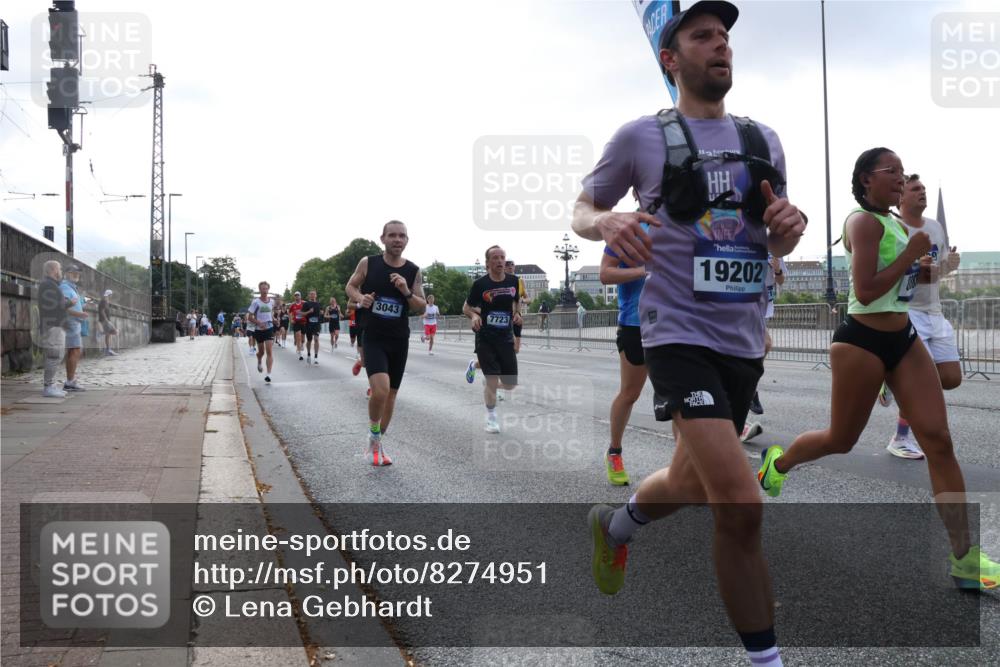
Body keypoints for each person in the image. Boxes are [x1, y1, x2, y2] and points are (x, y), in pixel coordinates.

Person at [572, 4, 807, 665]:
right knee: (740, 502)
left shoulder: (764, 141)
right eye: (702, 35)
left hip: (740, 338)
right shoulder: (640, 137)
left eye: (725, 35)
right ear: (670, 59)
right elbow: (582, 208)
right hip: (674, 332)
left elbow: (777, 232)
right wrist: (607, 221)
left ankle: (613, 525)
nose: (720, 44)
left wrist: (789, 228)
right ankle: (767, 659)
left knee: (690, 478)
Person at [757, 147, 998, 591]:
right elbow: (866, 291)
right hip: (861, 342)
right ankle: (780, 463)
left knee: (939, 441)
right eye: (894, 172)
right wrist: (911, 254)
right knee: (840, 439)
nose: (902, 181)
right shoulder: (861, 222)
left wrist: (932, 268)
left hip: (903, 339)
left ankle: (965, 557)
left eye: (904, 174)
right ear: (868, 179)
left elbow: (908, 279)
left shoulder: (893, 223)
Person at [878, 174, 962, 459]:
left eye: (924, 189)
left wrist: (948, 267)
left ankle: (891, 378)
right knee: (919, 384)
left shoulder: (935, 228)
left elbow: (934, 272)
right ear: (901, 197)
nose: (922, 192)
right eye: (916, 189)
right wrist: (916, 269)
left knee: (951, 378)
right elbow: (886, 274)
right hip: (907, 311)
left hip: (934, 311)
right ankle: (901, 438)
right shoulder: (894, 229)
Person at [345, 220, 425, 466]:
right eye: (392, 235)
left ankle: (377, 443)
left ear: (407, 241)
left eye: (402, 236)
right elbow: (350, 285)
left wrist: (405, 291)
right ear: (383, 239)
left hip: (399, 339)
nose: (397, 240)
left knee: (391, 396)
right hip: (374, 335)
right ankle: (373, 431)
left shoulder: (412, 270)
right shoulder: (369, 263)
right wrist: (360, 298)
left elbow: (421, 305)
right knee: (380, 390)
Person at [599, 228, 648, 485]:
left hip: (677, 324)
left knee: (680, 398)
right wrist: (644, 270)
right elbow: (605, 273)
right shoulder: (628, 231)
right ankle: (614, 452)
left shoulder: (685, 223)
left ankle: (685, 467)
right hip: (635, 324)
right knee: (630, 393)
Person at [463, 246, 521, 433]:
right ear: (488, 263)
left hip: (505, 337)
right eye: (495, 258)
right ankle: (491, 418)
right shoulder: (480, 284)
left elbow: (516, 301)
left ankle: (481, 373)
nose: (499, 261)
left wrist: (518, 313)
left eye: (502, 257)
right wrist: (473, 316)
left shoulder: (514, 281)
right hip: (485, 338)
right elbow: (466, 307)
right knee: (492, 380)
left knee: (511, 384)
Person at [741, 253, 786, 442]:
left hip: (762, 307)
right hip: (744, 303)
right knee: (764, 344)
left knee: (760, 348)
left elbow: (781, 280)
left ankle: (748, 390)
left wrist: (776, 267)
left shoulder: (777, 251)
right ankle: (748, 390)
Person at [38, 260, 71, 398]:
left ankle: (51, 385)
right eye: (60, 269)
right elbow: (53, 306)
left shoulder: (50, 285)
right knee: (54, 355)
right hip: (53, 326)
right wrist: (67, 302)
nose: (61, 272)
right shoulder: (48, 285)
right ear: (53, 270)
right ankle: (48, 387)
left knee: (57, 355)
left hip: (56, 325)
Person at [60, 265, 90, 392]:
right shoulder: (65, 287)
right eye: (73, 272)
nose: (76, 274)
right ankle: (70, 382)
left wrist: (83, 303)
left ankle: (70, 380)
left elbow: (74, 303)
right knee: (75, 350)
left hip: (74, 323)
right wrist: (80, 314)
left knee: (74, 350)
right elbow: (64, 306)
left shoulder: (72, 288)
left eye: (77, 272)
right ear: (66, 273)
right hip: (71, 323)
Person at [248, 281, 278, 383]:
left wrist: (274, 319)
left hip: (269, 328)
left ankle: (268, 374)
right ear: (260, 289)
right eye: (262, 289)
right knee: (261, 352)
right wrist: (258, 322)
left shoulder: (271, 302)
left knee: (269, 351)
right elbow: (250, 317)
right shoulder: (256, 302)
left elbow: (271, 313)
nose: (264, 291)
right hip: (259, 329)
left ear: (268, 289)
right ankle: (259, 359)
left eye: (266, 289)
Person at [504, 260, 528, 354]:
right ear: (504, 267)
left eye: (512, 265)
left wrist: (522, 300)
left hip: (517, 317)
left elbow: (528, 299)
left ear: (514, 267)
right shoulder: (501, 280)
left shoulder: (520, 281)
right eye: (507, 265)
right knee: (507, 347)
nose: (510, 267)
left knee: (516, 350)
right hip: (505, 316)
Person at [300, 290, 322, 365]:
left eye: (314, 294)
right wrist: (309, 311)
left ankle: (316, 357)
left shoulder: (318, 304)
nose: (312, 295)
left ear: (316, 295)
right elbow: (301, 313)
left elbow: (321, 312)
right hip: (309, 325)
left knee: (316, 339)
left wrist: (321, 314)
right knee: (309, 340)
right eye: (311, 294)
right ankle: (309, 354)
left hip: (317, 325)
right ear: (309, 295)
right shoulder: (306, 304)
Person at [98, 289, 119, 355]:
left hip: (105, 320)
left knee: (109, 334)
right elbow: (102, 311)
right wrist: (106, 320)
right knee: (111, 333)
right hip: (105, 320)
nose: (111, 296)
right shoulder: (104, 301)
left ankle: (108, 350)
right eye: (111, 295)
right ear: (109, 295)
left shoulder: (105, 301)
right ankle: (108, 350)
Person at [288, 291, 305, 360]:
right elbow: (289, 313)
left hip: (303, 322)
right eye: (295, 296)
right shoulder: (292, 305)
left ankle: (302, 344)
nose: (297, 297)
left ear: (300, 296)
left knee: (303, 339)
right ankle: (299, 352)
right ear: (294, 297)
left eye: (298, 295)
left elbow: (308, 309)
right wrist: (291, 320)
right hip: (296, 322)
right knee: (298, 336)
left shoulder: (304, 303)